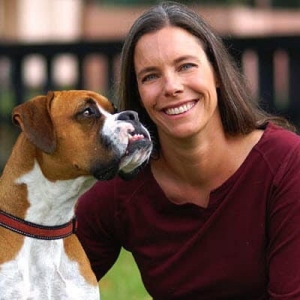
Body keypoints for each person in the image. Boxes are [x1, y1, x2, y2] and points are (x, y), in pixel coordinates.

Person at [76, 1, 300, 299]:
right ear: (139, 95)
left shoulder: (285, 164)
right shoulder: (125, 188)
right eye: (151, 76)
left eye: (186, 66)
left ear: (217, 74)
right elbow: (47, 281)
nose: (172, 86)